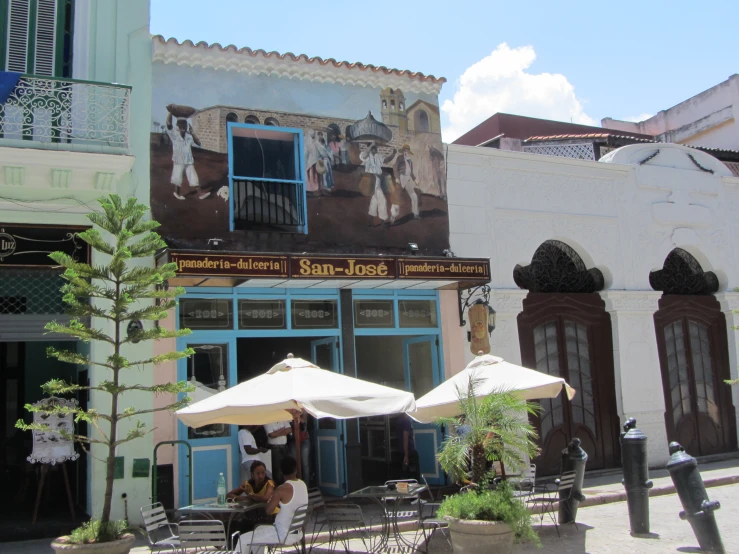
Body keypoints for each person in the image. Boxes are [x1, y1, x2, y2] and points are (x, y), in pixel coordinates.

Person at [236, 456, 309, 554]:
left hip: (282, 534)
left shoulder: (281, 489)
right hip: (296, 532)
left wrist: (272, 500)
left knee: (243, 539)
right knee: (259, 529)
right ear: (296, 470)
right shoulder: (302, 484)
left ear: (281, 472)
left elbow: (268, 511)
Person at [165, 111, 209, 200]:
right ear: (177, 125)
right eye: (180, 124)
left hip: (188, 160)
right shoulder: (174, 134)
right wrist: (170, 111)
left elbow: (199, 143)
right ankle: (177, 193)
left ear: (186, 126)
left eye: (184, 125)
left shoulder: (189, 136)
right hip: (178, 160)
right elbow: (168, 123)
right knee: (177, 177)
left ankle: (200, 193)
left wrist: (192, 132)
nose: (183, 127)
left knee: (193, 176)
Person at [359, 142, 396, 227]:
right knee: (382, 199)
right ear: (369, 148)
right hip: (370, 179)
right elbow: (364, 155)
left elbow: (386, 160)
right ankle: (383, 222)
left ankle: (371, 221)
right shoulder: (366, 157)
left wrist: (393, 154)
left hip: (378, 179)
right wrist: (371, 144)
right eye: (373, 147)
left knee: (374, 200)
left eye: (375, 147)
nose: (375, 149)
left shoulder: (378, 157)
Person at [392, 144, 420, 222]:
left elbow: (411, 173)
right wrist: (397, 178)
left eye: (408, 151)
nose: (408, 152)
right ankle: (393, 215)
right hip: (400, 178)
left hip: (407, 179)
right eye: (406, 151)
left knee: (414, 196)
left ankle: (416, 214)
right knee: (397, 197)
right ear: (404, 151)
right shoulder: (400, 158)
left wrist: (415, 180)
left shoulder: (410, 161)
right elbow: (395, 168)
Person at [288, 411, 310, 485]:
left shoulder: (303, 408)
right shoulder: (288, 410)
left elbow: (304, 422)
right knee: (294, 463)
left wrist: (296, 416)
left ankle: (306, 485)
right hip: (293, 439)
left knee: (305, 464)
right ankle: (296, 483)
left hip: (304, 439)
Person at [396, 413, 420, 480]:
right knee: (413, 476)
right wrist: (406, 456)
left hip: (401, 450)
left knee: (404, 476)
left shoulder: (399, 420)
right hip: (409, 451)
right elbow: (405, 437)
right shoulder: (406, 421)